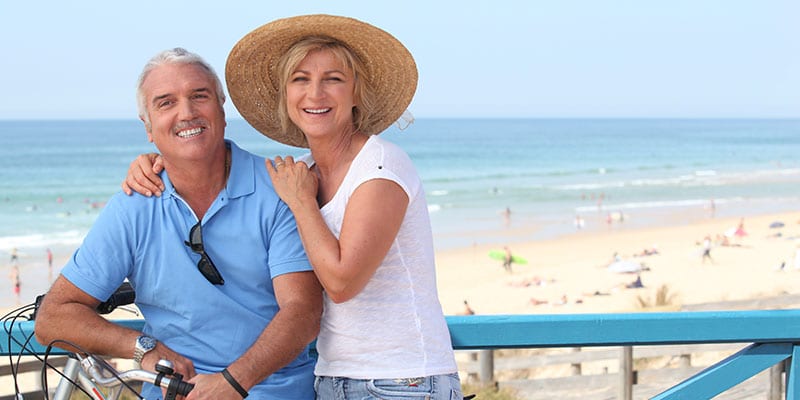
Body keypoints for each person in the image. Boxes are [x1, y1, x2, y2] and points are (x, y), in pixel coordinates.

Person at [123, 15, 462, 400]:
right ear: (286, 95)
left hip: (402, 380)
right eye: (300, 80)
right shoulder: (307, 172)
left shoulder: (380, 165)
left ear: (356, 93)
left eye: (333, 79)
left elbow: (341, 283)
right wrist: (158, 162)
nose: (315, 94)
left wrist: (302, 203)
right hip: (333, 379)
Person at [35, 48, 322, 400]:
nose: (186, 113)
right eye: (166, 103)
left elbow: (303, 311)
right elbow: (53, 319)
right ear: (148, 128)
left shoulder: (279, 188)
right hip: (174, 391)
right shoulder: (133, 207)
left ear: (221, 109)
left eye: (199, 96)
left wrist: (232, 382)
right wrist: (143, 347)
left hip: (271, 390)